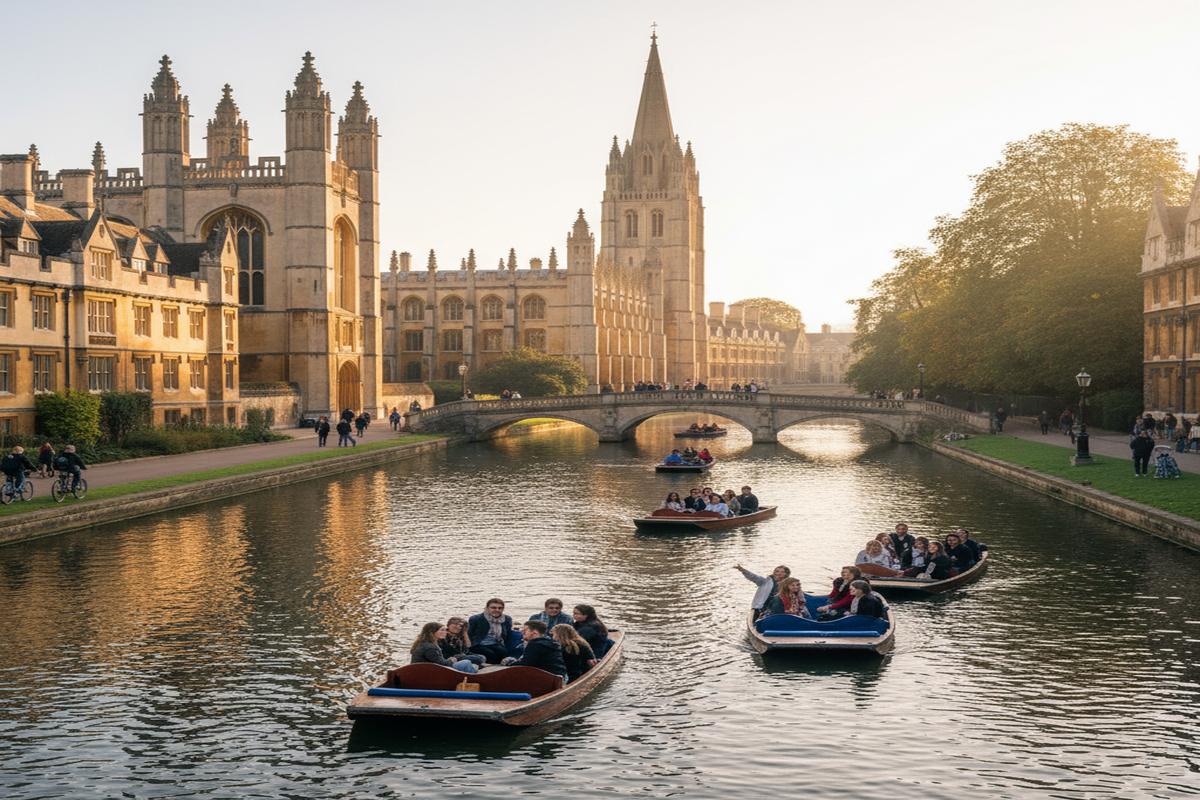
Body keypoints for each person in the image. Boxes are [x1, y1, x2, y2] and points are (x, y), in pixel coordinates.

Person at [501, 621, 567, 678]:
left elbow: (524, 664)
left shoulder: (535, 645)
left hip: (547, 678)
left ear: (535, 632)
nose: (522, 631)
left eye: (525, 630)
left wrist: (509, 663)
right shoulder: (551, 642)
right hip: (559, 675)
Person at [411, 622, 478, 674]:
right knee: (466, 662)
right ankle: (473, 677)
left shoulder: (424, 643)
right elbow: (442, 664)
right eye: (442, 630)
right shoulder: (430, 647)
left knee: (469, 664)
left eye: (445, 630)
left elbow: (438, 661)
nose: (445, 632)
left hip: (429, 669)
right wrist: (451, 660)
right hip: (430, 672)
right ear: (432, 632)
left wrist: (448, 660)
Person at [467, 598, 513, 664]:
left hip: (495, 642)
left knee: (503, 653)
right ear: (487, 608)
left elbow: (507, 633)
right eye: (493, 608)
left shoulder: (507, 619)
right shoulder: (476, 619)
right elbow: (470, 634)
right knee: (491, 654)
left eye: (500, 608)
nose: (497, 610)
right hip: (479, 643)